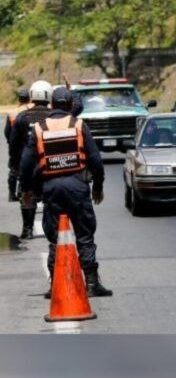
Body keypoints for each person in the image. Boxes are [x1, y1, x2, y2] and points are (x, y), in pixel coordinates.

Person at [19, 87, 111, 298]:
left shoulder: (40, 128)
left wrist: (26, 190)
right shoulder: (78, 124)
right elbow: (95, 160)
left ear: (51, 105)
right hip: (77, 186)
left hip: (50, 188)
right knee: (85, 235)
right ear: (70, 105)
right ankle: (91, 283)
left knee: (55, 239)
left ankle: (55, 285)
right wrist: (98, 185)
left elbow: (26, 163)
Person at [8, 81, 54, 239]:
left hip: (29, 165)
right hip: (50, 164)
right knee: (51, 195)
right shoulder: (55, 115)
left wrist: (14, 165)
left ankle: (27, 229)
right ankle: (54, 228)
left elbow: (13, 143)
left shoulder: (22, 117)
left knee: (27, 194)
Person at [4, 88, 31, 202]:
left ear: (19, 99)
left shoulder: (12, 113)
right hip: (28, 143)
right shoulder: (32, 111)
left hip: (15, 144)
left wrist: (10, 142)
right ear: (29, 99)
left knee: (14, 169)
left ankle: (11, 194)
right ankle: (22, 191)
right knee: (26, 168)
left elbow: (7, 131)